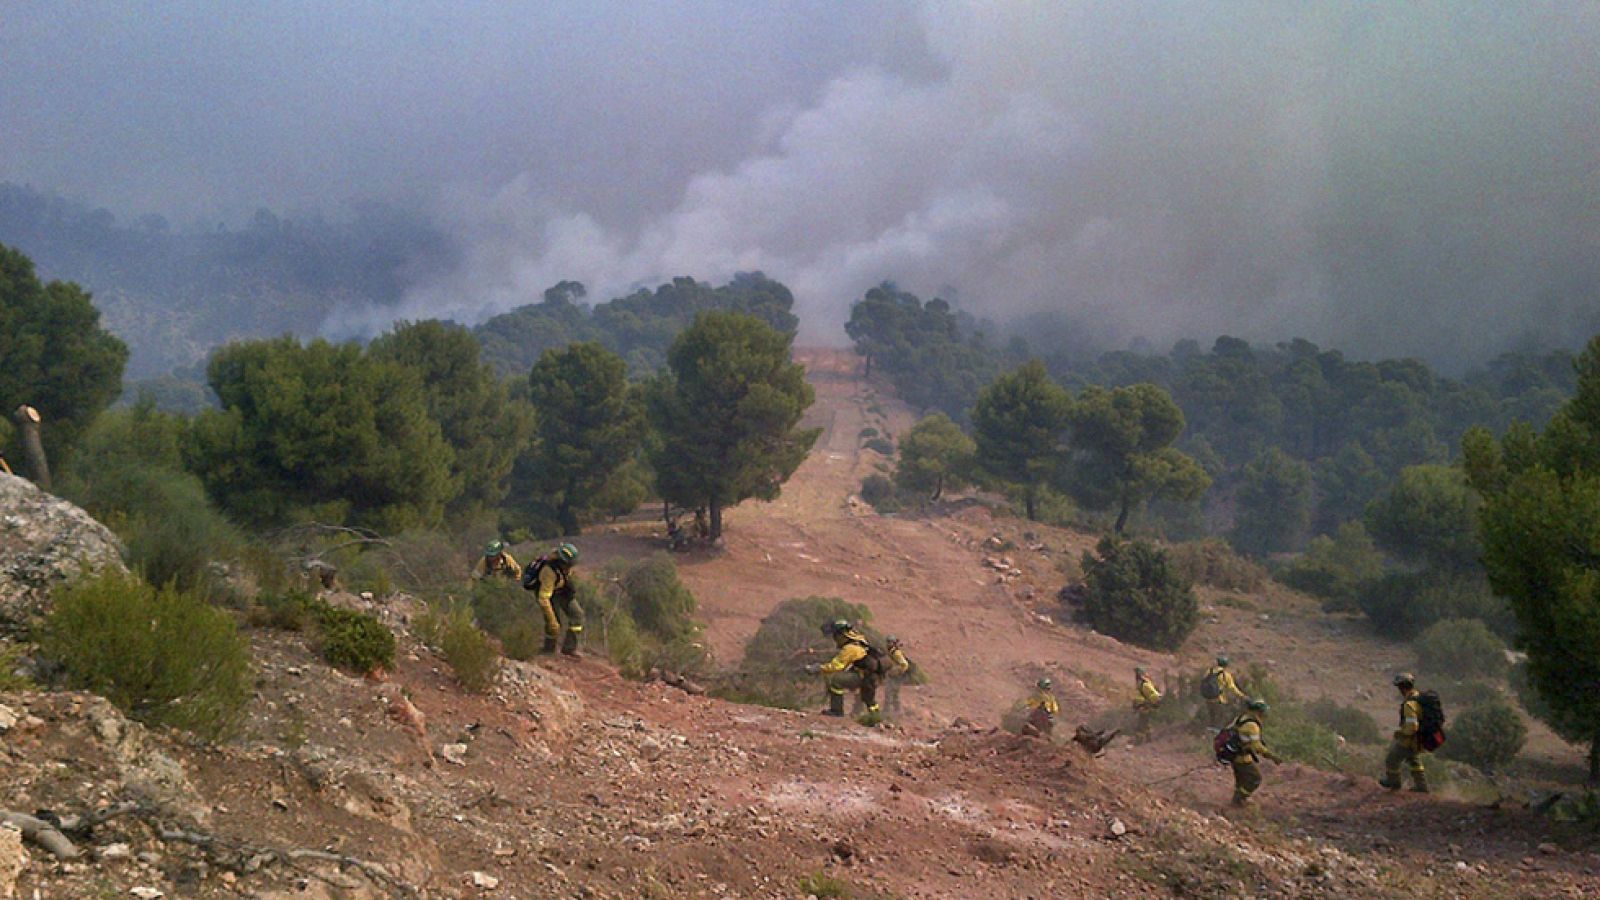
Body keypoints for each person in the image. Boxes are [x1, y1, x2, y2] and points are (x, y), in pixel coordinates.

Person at [805, 619, 885, 718]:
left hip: (864, 676)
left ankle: (836, 710)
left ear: (841, 635)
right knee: (869, 699)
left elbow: (836, 666)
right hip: (870, 676)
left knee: (836, 680)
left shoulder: (850, 649)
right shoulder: (859, 640)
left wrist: (818, 668)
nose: (835, 639)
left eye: (836, 636)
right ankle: (876, 718)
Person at [522, 543, 583, 656]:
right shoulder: (548, 571)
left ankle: (569, 648)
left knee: (577, 614)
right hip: (548, 595)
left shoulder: (563, 568)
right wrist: (551, 620)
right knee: (554, 623)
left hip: (562, 591)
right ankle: (548, 650)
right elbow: (543, 598)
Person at [1379, 673, 1429, 793]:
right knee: (1414, 760)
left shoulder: (1409, 704)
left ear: (1402, 687)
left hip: (1410, 738)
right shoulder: (1419, 697)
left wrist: (1401, 733)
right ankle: (1422, 786)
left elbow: (1412, 725)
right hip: (1421, 737)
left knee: (1392, 759)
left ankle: (1394, 783)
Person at [1228, 698, 1282, 806]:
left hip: (1234, 756)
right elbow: (1257, 746)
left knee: (1241, 780)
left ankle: (1237, 801)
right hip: (1242, 758)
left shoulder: (1241, 718)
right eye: (1263, 712)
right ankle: (1238, 799)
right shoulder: (1252, 726)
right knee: (1255, 779)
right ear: (1258, 712)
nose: (1264, 715)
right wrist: (1272, 756)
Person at [1203, 655, 1247, 728]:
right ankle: (1217, 732)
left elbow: (1203, 681)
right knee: (1222, 718)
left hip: (1208, 698)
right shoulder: (1225, 675)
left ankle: (1209, 730)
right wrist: (1242, 696)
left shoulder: (1209, 671)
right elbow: (1233, 688)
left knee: (1212, 717)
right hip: (1219, 699)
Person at [882, 635, 913, 713]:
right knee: (894, 694)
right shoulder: (891, 651)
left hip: (896, 677)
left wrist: (894, 672)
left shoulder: (896, 653)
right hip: (894, 676)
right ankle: (897, 711)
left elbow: (904, 665)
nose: (888, 644)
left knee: (889, 693)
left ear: (893, 643)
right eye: (887, 642)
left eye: (890, 642)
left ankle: (887, 712)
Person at [1133, 666, 1163, 743]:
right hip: (1142, 706)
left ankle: (1140, 741)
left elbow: (1154, 695)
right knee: (1145, 724)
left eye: (1137, 674)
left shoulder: (1145, 684)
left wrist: (1149, 704)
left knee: (1141, 724)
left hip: (1145, 706)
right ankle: (1148, 739)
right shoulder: (1142, 684)